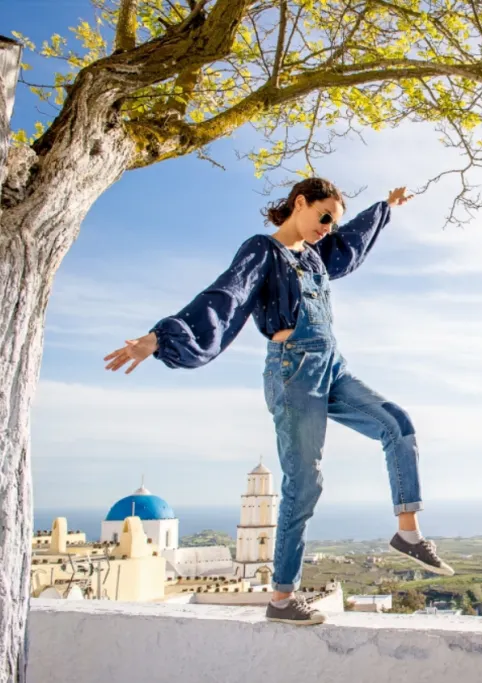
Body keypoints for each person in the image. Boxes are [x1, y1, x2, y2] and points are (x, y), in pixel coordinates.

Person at [103, 178, 453, 626]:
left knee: (397, 425)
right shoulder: (262, 251)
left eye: (334, 221)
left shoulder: (315, 254)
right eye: (323, 216)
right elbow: (224, 295)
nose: (328, 228)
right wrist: (159, 337)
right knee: (304, 484)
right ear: (299, 203)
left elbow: (352, 242)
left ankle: (408, 533)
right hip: (294, 372)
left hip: (333, 367)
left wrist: (385, 207)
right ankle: (283, 599)